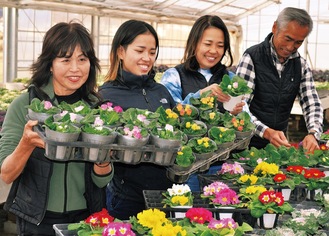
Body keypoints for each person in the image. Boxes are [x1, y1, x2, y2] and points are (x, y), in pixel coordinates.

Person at [0, 22, 113, 235]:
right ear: (50, 64)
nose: (75, 68)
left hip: (86, 219)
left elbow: (102, 179)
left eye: (82, 59)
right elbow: (6, 173)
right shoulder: (25, 105)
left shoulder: (97, 108)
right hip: (38, 219)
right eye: (65, 59)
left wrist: (103, 158)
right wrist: (26, 144)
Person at [98, 20, 176, 220]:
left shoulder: (161, 91)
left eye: (152, 52)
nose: (147, 58)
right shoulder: (106, 95)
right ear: (121, 52)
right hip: (126, 198)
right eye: (140, 50)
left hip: (166, 196)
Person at [236, 7, 323, 152]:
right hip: (245, 145)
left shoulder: (300, 64)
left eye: (298, 42)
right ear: (275, 27)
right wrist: (266, 132)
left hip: (277, 146)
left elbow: (312, 102)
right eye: (287, 39)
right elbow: (238, 106)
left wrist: (313, 133)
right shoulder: (252, 57)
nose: (290, 47)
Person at [160, 15, 244, 115]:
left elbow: (246, 119)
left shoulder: (231, 79)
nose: (213, 51)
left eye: (220, 46)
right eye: (208, 44)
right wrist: (200, 95)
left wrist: (234, 113)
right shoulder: (173, 76)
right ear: (194, 43)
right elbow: (168, 112)